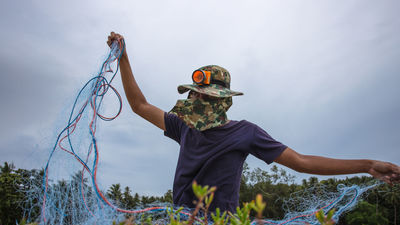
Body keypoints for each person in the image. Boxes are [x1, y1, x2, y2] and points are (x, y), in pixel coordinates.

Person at [107, 32, 400, 213]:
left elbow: (302, 162)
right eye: (196, 95)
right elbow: (140, 106)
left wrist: (367, 165)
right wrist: (124, 57)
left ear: (222, 100)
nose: (199, 102)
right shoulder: (184, 127)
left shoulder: (245, 133)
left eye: (206, 97)